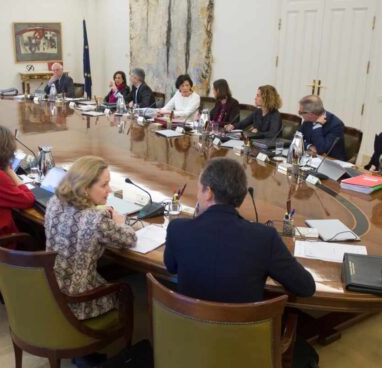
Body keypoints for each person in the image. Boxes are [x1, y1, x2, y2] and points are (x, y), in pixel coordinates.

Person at [164, 157, 316, 303]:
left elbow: (171, 267)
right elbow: (306, 287)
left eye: (199, 190)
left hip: (186, 327)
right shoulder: (264, 238)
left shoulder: (178, 229)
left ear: (209, 192)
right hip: (241, 329)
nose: (198, 196)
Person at [44, 156, 136, 320]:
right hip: (79, 302)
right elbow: (130, 239)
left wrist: (97, 210)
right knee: (127, 289)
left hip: (51, 289)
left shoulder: (54, 202)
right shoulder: (96, 220)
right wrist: (120, 222)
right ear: (85, 188)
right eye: (104, 185)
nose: (110, 190)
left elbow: (78, 218)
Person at [297, 95, 346, 160]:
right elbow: (296, 139)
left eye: (300, 112)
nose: (300, 114)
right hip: (310, 159)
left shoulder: (336, 125)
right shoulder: (307, 121)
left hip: (331, 162)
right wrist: (309, 146)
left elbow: (321, 149)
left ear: (310, 114)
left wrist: (318, 126)